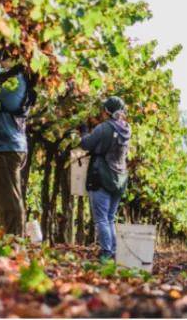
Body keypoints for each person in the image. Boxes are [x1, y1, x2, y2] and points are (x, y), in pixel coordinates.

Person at [0, 62, 33, 236]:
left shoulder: (14, 79)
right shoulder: (16, 79)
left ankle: (15, 244)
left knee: (8, 200)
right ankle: (11, 242)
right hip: (3, 147)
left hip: (5, 147)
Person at [80, 96, 131, 261]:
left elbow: (86, 144)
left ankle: (107, 252)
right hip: (120, 178)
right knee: (110, 218)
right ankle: (114, 251)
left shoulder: (103, 128)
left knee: (101, 218)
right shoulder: (126, 129)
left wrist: (83, 131)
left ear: (107, 111)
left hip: (102, 176)